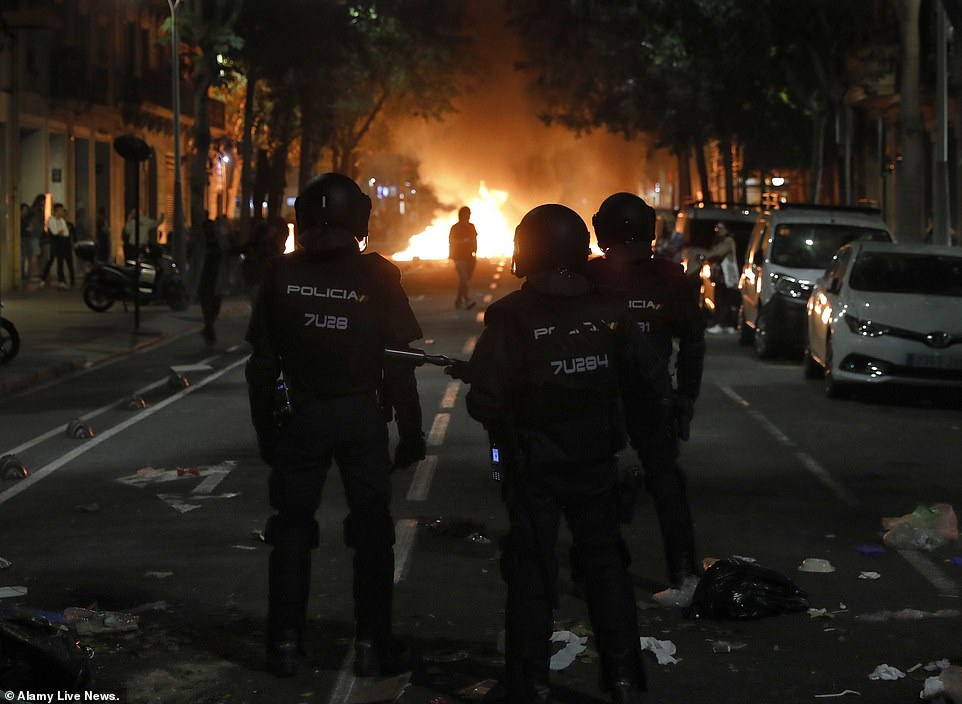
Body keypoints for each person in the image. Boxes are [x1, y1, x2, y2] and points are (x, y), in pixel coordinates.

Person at [453, 204, 672, 704]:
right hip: (597, 466)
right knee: (605, 567)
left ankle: (530, 682)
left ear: (527, 251)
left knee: (531, 571)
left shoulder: (512, 316)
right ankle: (620, 677)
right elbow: (652, 382)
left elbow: (484, 401)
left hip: (535, 470)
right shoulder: (611, 310)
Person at [245, 172, 427, 678]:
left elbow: (260, 365)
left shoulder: (280, 275)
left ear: (304, 220)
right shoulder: (378, 276)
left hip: (301, 416)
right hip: (359, 415)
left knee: (291, 529)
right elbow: (399, 362)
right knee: (372, 530)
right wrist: (410, 434)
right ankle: (372, 645)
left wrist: (267, 436)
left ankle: (283, 645)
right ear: (359, 221)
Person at [588, 192, 706, 591]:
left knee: (593, 483)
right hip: (652, 397)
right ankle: (683, 571)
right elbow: (693, 343)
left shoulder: (589, 277)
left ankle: (603, 570)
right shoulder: (673, 278)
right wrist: (686, 396)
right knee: (668, 486)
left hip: (597, 397)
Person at [197, 213, 229, 346]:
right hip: (204, 281)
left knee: (215, 307)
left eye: (212, 228)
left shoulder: (220, 243)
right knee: (207, 308)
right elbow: (195, 262)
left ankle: (208, 328)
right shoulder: (201, 244)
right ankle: (210, 332)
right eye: (207, 228)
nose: (210, 231)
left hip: (217, 280)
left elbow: (228, 254)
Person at [705, 222, 739, 334]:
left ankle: (722, 324)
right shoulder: (722, 241)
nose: (717, 230)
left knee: (722, 300)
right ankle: (726, 324)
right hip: (722, 276)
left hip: (725, 276)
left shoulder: (728, 241)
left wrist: (708, 255)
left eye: (719, 228)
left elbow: (717, 253)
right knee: (723, 299)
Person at [448, 205, 478, 309]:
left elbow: (474, 239)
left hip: (470, 257)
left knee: (465, 279)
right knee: (463, 278)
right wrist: (463, 242)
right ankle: (467, 300)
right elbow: (452, 241)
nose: (469, 216)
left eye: (469, 214)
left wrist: (475, 252)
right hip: (459, 257)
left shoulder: (471, 226)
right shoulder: (455, 228)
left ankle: (458, 300)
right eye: (467, 214)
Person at [40, 203, 74, 289]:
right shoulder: (51, 220)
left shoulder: (62, 221)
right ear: (56, 211)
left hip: (64, 243)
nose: (62, 212)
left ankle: (65, 281)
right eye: (61, 210)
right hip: (55, 244)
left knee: (64, 261)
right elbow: (55, 232)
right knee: (52, 260)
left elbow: (66, 233)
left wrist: (61, 232)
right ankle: (44, 279)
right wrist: (60, 231)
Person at [20, 203, 40, 281]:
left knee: (26, 257)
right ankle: (22, 274)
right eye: (24, 210)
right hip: (23, 239)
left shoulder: (26, 219)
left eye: (26, 210)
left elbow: (30, 229)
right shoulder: (19, 219)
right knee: (23, 257)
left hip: (27, 239)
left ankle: (26, 274)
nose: (25, 212)